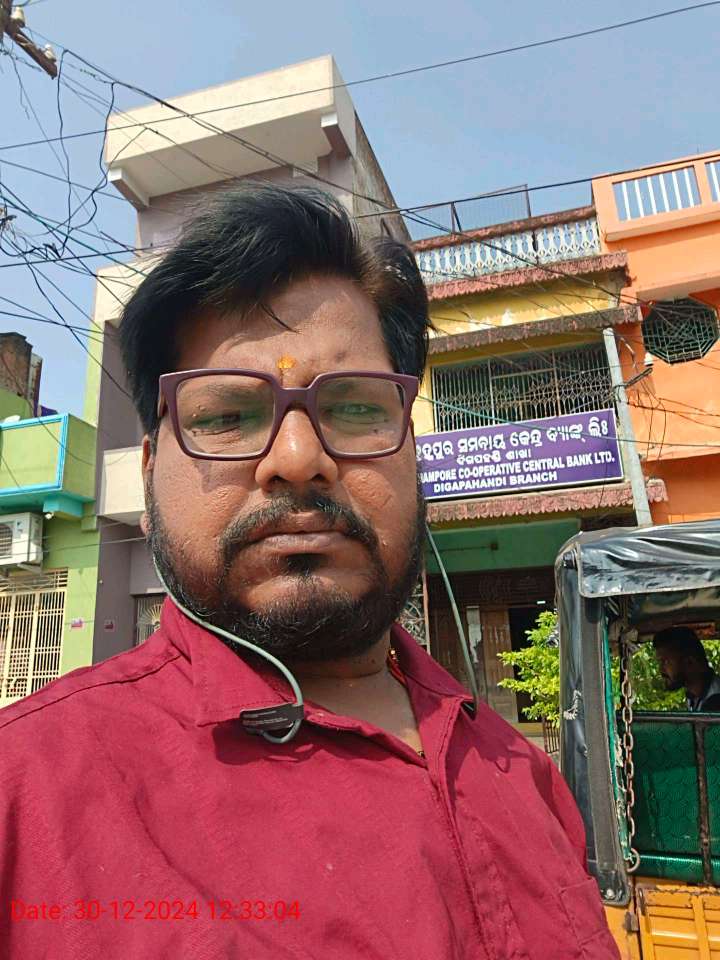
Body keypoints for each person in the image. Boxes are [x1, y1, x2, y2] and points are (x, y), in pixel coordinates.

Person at [0, 185, 619, 960]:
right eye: (226, 417)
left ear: (413, 453)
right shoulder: (23, 795)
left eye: (356, 408)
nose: (298, 459)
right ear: (151, 476)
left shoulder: (523, 775)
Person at [654, 626, 720, 711]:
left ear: (690, 661)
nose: (661, 669)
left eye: (666, 662)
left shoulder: (716, 700)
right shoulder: (693, 696)